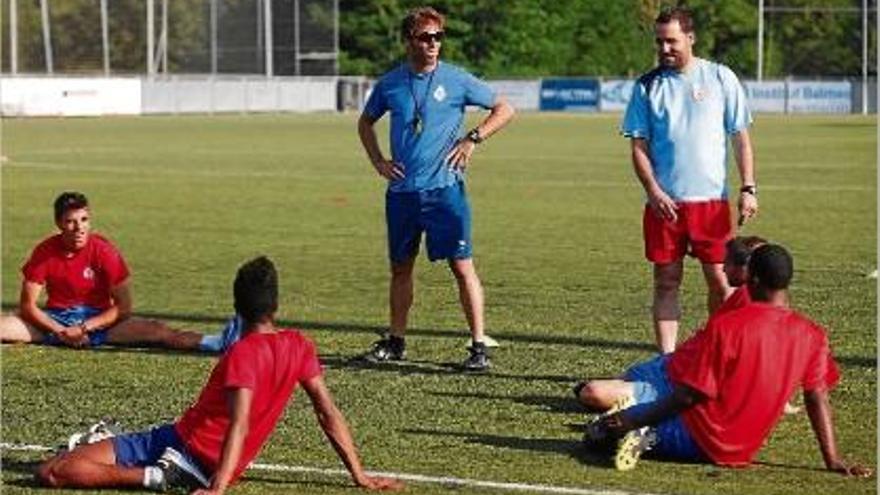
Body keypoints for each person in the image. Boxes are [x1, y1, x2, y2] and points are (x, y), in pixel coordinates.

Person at [36, 256, 404, 494]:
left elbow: (239, 424)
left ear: (237, 309)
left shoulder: (243, 353)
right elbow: (328, 412)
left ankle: (154, 475)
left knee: (53, 471)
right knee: (85, 456)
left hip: (183, 449)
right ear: (275, 305)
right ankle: (151, 467)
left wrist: (217, 491)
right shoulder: (299, 346)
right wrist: (360, 475)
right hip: (212, 459)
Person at [578, 244, 871, 477]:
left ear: (752, 279)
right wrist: (832, 459)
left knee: (599, 434)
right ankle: (643, 430)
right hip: (744, 449)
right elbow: (817, 396)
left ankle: (646, 435)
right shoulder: (813, 334)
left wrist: (634, 418)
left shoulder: (730, 327)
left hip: (699, 436)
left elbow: (688, 396)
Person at [356, 6, 514, 371]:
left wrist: (473, 138)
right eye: (425, 37)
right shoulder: (391, 83)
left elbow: (505, 109)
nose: (432, 44)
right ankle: (396, 342)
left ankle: (478, 348)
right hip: (402, 194)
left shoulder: (457, 80)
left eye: (438, 37)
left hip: (445, 191)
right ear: (409, 40)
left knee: (462, 266)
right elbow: (365, 123)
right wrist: (379, 161)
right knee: (400, 268)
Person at [621, 6, 758, 354]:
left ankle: (720, 352)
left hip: (710, 203)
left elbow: (740, 137)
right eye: (659, 43)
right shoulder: (647, 86)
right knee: (666, 281)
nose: (665, 49)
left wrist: (748, 187)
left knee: (722, 281)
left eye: (672, 41)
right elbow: (638, 146)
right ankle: (667, 361)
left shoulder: (720, 78)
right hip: (664, 205)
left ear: (690, 38)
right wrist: (653, 191)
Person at [574, 235, 766, 414]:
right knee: (598, 387)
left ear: (746, 268)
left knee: (592, 392)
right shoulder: (741, 297)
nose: (723, 269)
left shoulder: (756, 311)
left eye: (728, 263)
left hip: (678, 384)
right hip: (671, 364)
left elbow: (758, 360)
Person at [0, 192, 215, 351]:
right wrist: (60, 331)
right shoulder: (44, 251)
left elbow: (124, 307)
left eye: (84, 220)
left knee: (160, 332)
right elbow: (28, 306)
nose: (79, 228)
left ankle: (218, 342)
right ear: (59, 223)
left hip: (99, 322)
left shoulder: (104, 251)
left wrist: (83, 328)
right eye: (70, 222)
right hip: (55, 321)